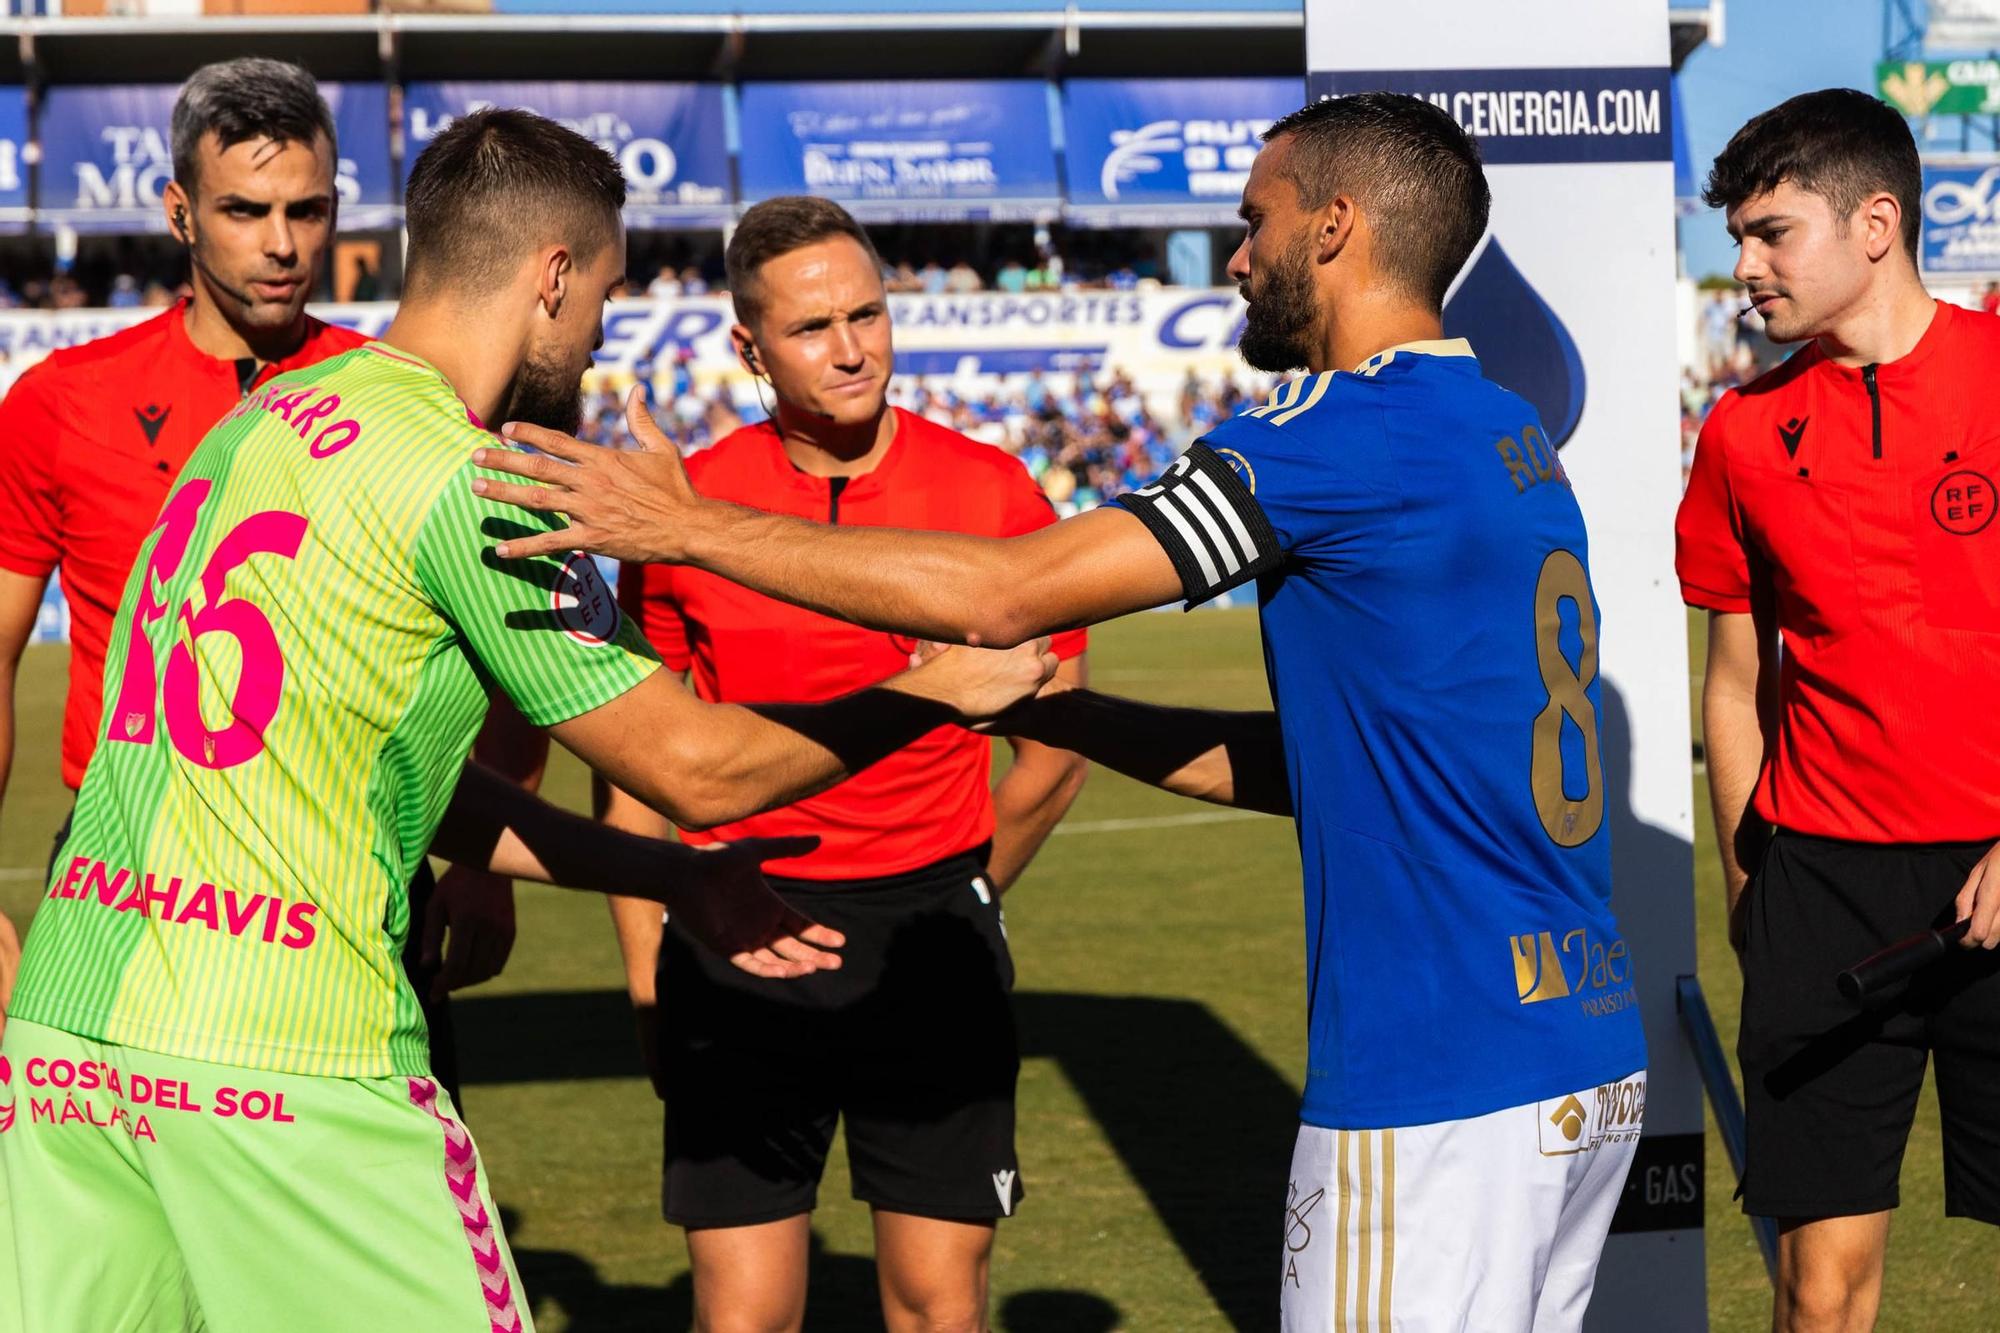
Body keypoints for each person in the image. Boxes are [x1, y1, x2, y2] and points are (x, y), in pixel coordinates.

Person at [475, 92, 1649, 1331]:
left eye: (1254, 221)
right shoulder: (1504, 426)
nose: (1238, 255)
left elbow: (999, 594)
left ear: (1335, 226)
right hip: (1580, 1055)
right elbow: (1331, 763)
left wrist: (681, 525)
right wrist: (1062, 714)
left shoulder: (1329, 436)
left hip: (1439, 1081)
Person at [0, 107, 1054, 1333]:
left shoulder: (251, 425)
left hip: (72, 1038)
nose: (601, 331)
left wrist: (668, 876)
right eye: (604, 293)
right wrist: (931, 692)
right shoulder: (474, 479)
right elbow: (698, 766)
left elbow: (386, 772)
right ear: (553, 276)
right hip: (289, 1053)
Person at [603, 195, 1089, 1333]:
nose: (852, 346)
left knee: (936, 1306)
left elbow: (1056, 742)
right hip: (733, 932)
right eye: (813, 327)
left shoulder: (988, 494)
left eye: (865, 313)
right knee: (744, 1315)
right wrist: (644, 971)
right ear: (748, 346)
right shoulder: (688, 509)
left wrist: (966, 882)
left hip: (931, 944)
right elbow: (635, 766)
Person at [1676, 89, 2000, 1333]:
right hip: (1820, 888)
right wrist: (1749, 884)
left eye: (1769, 233)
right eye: (1737, 238)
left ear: (1875, 221)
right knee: (1817, 1293)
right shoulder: (1743, 434)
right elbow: (1733, 680)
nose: (1742, 267)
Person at [0, 60, 375, 1046]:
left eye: (308, 209)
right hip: (124, 858)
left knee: (360, 1194)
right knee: (114, 1194)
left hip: (342, 860)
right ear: (180, 212)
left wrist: (476, 877)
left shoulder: (394, 396)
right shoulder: (61, 400)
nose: (283, 244)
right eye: (246, 210)